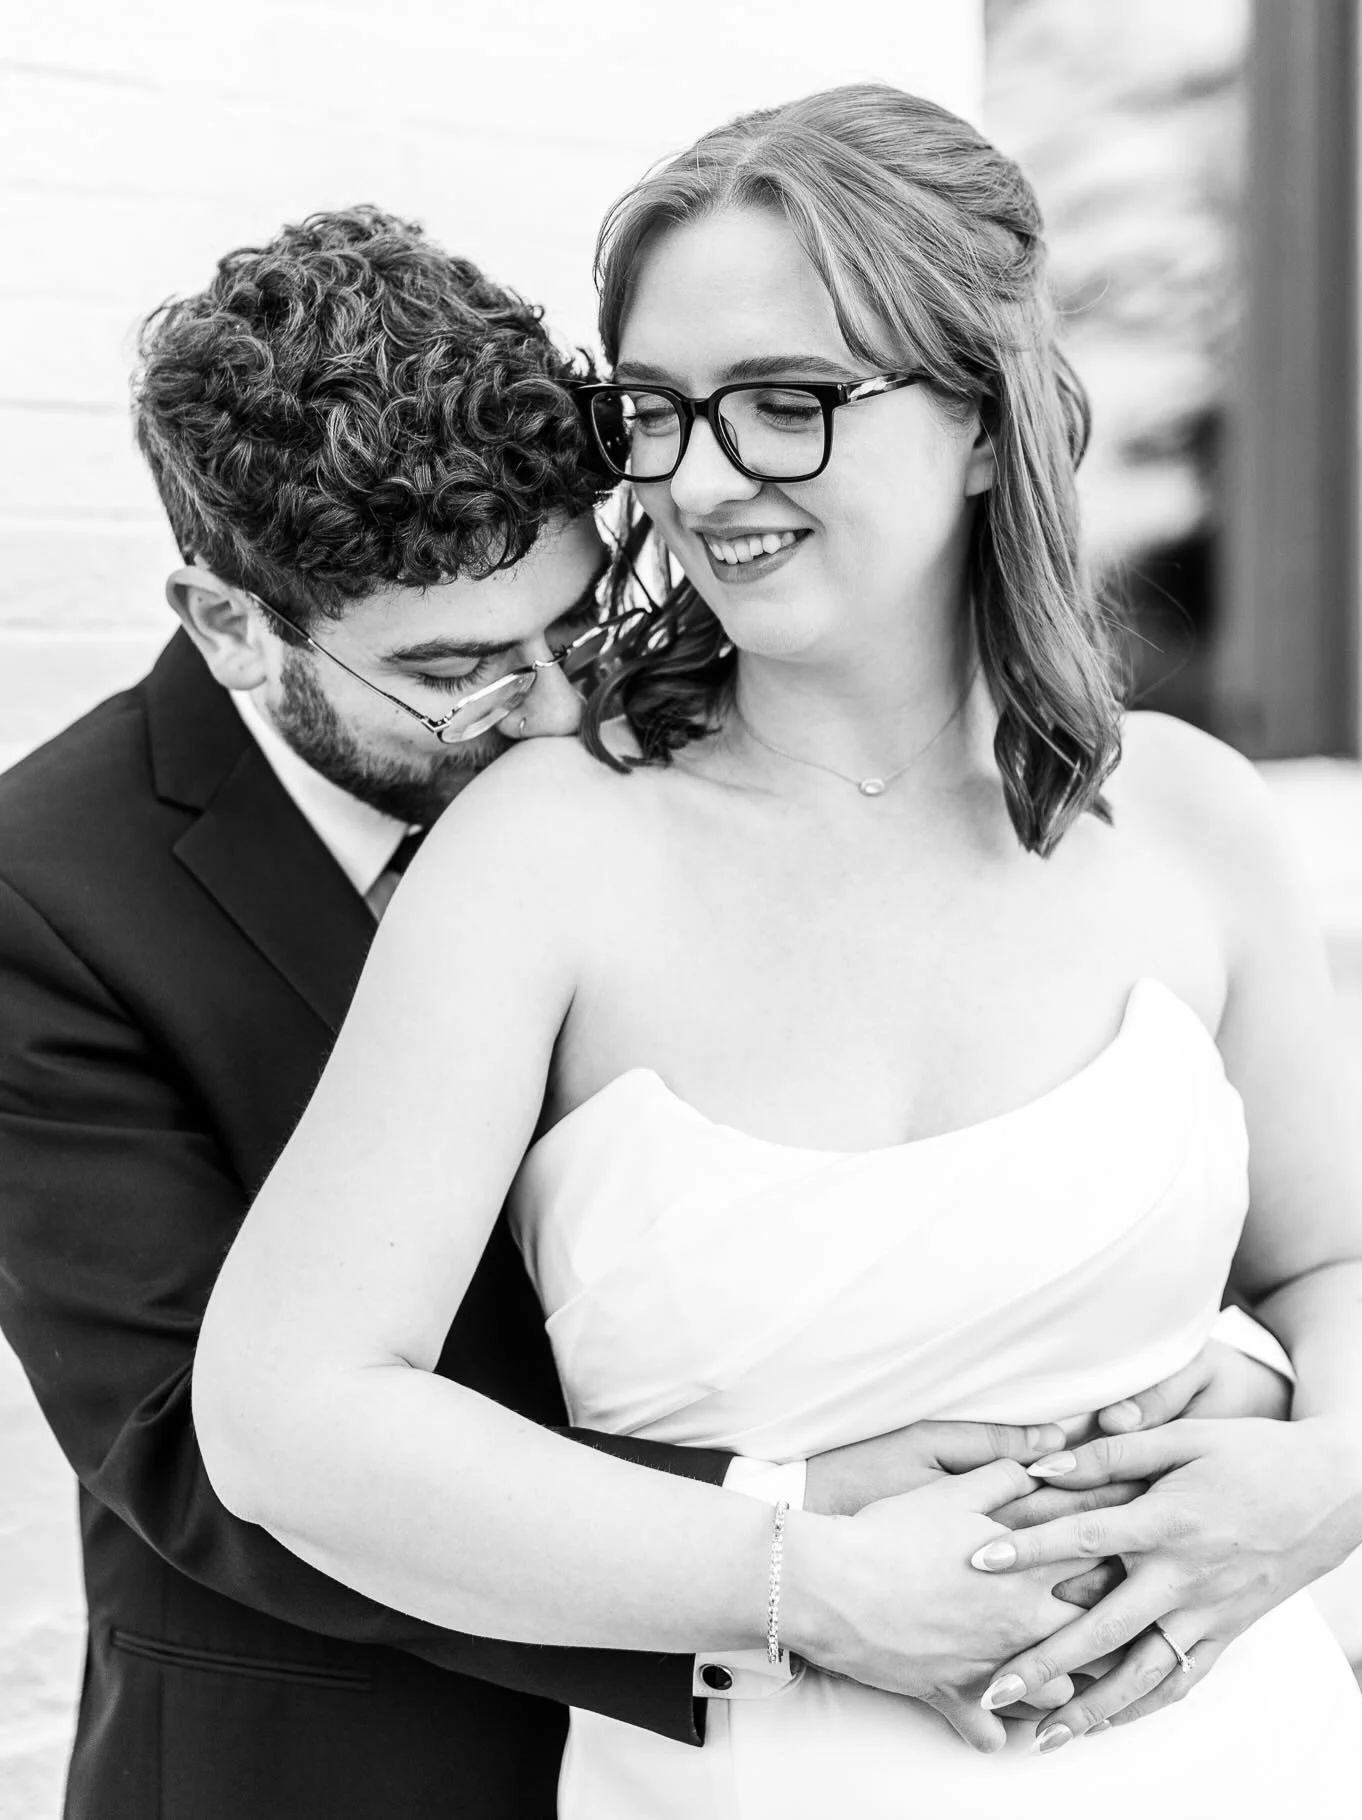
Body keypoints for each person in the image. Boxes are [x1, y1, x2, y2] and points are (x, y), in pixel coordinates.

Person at [0, 203, 1271, 1820]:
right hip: (345, 1763)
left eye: (577, 621)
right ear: (232, 625)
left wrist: (1213, 1396)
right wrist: (796, 1532)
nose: (554, 707)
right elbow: (202, 1462)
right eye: (462, 668)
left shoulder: (665, 781)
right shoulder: (42, 899)